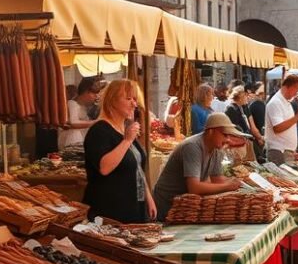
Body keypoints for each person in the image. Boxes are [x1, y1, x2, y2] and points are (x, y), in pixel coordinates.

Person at [82, 80, 156, 223]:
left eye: (135, 99)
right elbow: (104, 167)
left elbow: (137, 167)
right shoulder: (99, 130)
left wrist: (148, 197)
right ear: (112, 100)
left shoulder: (125, 130)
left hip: (134, 207)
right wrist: (127, 141)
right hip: (110, 211)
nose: (134, 104)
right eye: (128, 99)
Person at [152, 112, 245, 210]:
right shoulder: (192, 146)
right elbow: (194, 188)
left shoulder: (217, 149)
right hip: (168, 203)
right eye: (225, 135)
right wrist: (228, 186)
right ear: (211, 131)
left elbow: (217, 180)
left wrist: (236, 183)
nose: (228, 140)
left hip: (185, 204)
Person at [265, 75, 298, 165]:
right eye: (296, 89)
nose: (296, 93)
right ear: (287, 87)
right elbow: (277, 128)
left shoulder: (286, 102)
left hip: (286, 152)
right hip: (279, 151)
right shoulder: (275, 103)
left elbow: (289, 125)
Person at [59, 77, 101, 152]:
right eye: (94, 93)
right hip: (71, 142)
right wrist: (96, 122)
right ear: (86, 92)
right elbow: (73, 123)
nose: (96, 96)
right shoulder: (72, 104)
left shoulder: (85, 107)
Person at [225, 86, 262, 162]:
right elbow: (233, 128)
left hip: (246, 140)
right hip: (238, 144)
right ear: (240, 96)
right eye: (246, 95)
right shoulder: (231, 109)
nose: (247, 97)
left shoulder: (241, 107)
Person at [247, 83, 267, 163]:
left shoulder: (257, 104)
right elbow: (259, 123)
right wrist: (259, 137)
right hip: (257, 138)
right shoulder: (257, 105)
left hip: (258, 137)